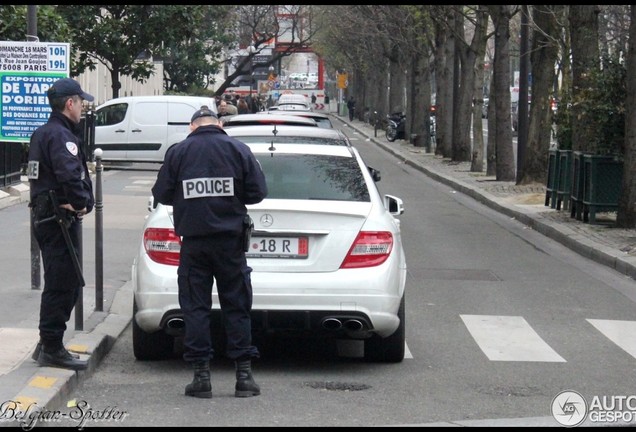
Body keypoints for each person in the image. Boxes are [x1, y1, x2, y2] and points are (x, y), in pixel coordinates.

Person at [151, 106, 268, 399]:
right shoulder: (238, 149)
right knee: (237, 307)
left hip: (195, 243)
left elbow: (162, 193)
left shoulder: (179, 152)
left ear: (192, 127)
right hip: (230, 243)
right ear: (219, 124)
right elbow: (257, 192)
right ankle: (244, 377)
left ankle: (201, 377)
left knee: (195, 309)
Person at [27, 78, 95, 371]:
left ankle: (47, 343)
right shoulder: (61, 136)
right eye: (80, 103)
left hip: (48, 216)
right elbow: (70, 175)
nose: (82, 108)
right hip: (58, 219)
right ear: (70, 104)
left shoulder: (44, 132)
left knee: (64, 280)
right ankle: (52, 346)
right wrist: (81, 204)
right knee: (64, 283)